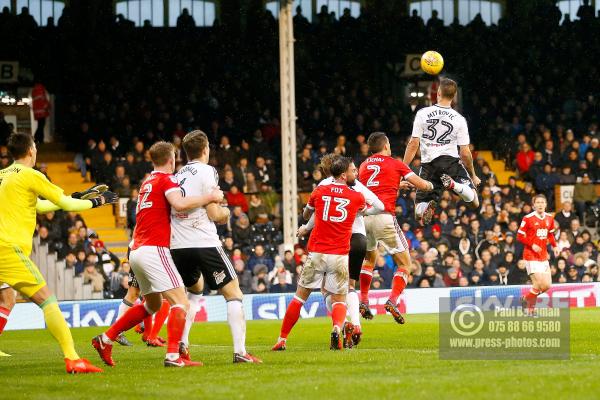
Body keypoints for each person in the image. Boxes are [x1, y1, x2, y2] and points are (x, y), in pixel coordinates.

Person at [92, 141, 223, 368]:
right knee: (180, 302)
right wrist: (209, 197)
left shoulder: (147, 183)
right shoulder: (166, 180)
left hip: (137, 250)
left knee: (151, 305)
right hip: (154, 249)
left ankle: (105, 339)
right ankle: (173, 356)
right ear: (171, 159)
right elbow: (179, 204)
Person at [0, 132, 117, 373]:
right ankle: (73, 358)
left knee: (6, 299)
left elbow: (40, 205)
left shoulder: (3, 175)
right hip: (8, 249)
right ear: (31, 150)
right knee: (48, 300)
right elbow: (66, 205)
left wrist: (74, 197)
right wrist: (96, 202)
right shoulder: (30, 175)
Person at [170, 131, 261, 364]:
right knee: (233, 294)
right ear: (206, 149)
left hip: (178, 245)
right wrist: (226, 212)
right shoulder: (208, 171)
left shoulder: (177, 175)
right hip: (203, 242)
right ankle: (240, 352)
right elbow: (214, 213)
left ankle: (182, 345)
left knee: (194, 290)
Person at [272, 156, 367, 351]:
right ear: (344, 174)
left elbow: (306, 215)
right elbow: (365, 210)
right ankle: (336, 328)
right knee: (339, 298)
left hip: (317, 252)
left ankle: (282, 339)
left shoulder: (320, 191)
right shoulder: (355, 196)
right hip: (340, 255)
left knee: (299, 298)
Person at [297, 153, 384, 346]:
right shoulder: (356, 186)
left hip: (338, 242)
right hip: (359, 240)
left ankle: (342, 324)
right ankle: (356, 324)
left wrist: (305, 228)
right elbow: (380, 206)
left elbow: (315, 213)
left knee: (329, 291)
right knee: (350, 286)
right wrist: (362, 211)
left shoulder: (324, 186)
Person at [358, 132, 434, 323]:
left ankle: (364, 300)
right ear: (386, 146)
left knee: (369, 259)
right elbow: (421, 185)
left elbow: (374, 187)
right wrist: (433, 185)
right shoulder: (395, 163)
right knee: (405, 264)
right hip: (384, 217)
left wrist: (397, 185)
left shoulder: (364, 165)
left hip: (365, 218)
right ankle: (392, 300)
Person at [404, 77, 480, 225]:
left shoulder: (422, 113)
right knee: (474, 202)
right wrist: (473, 174)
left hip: (428, 166)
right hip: (450, 163)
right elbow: (465, 152)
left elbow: (413, 144)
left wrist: (403, 169)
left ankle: (425, 206)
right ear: (455, 95)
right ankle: (455, 186)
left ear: (438, 93)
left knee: (419, 213)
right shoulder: (459, 119)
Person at [516, 195, 560, 315]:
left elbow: (550, 234)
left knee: (546, 286)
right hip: (530, 255)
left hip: (543, 256)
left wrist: (555, 246)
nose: (540, 204)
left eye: (542, 202)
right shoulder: (527, 218)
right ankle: (531, 310)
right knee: (538, 283)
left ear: (546, 204)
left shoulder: (550, 218)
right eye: (538, 202)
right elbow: (519, 236)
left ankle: (526, 299)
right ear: (533, 205)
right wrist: (532, 245)